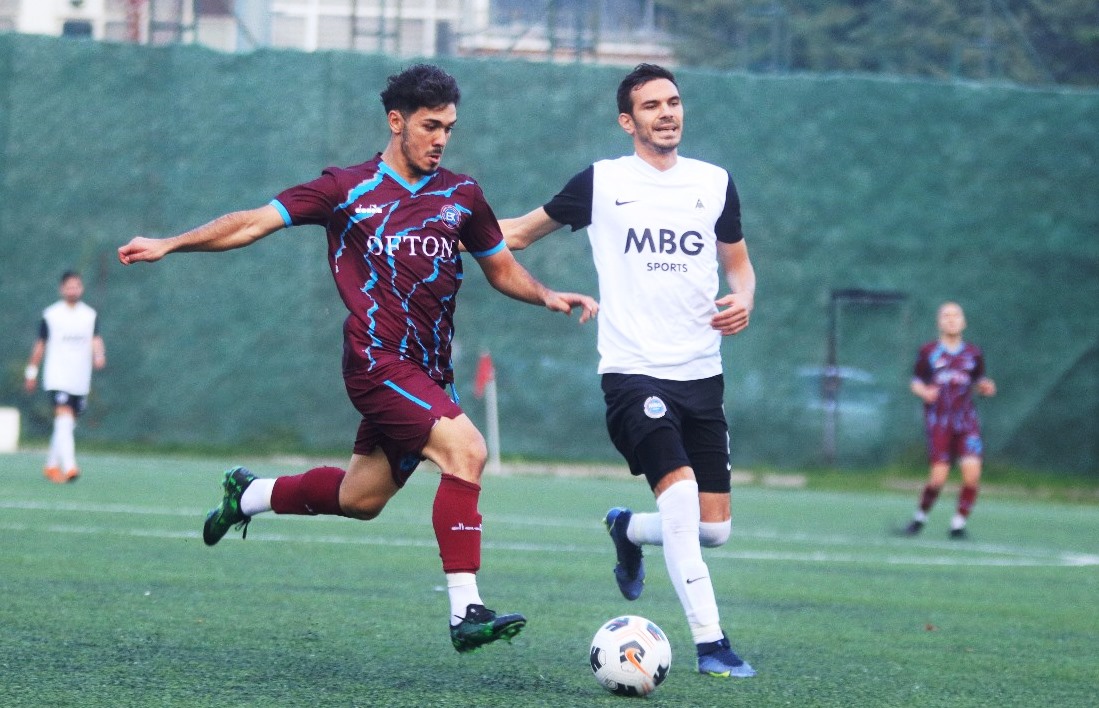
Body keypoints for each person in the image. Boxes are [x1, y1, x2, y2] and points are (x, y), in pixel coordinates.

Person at [117, 64, 598, 653]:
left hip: (428, 371)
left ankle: (248, 495)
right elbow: (252, 224)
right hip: (377, 363)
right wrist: (170, 243)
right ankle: (466, 611)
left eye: (448, 127)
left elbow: (500, 266)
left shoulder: (462, 194)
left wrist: (545, 293)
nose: (441, 139)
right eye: (429, 126)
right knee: (467, 450)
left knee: (359, 500)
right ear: (396, 122)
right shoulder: (345, 188)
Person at [499, 63, 757, 678]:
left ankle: (628, 529)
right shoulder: (603, 182)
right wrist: (439, 226)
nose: (666, 113)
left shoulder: (715, 183)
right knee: (681, 500)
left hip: (702, 375)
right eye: (651, 106)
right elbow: (518, 235)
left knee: (713, 530)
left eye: (673, 102)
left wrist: (745, 299)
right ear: (627, 121)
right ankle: (712, 644)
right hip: (634, 373)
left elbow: (739, 266)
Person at [903, 302, 996, 539]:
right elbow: (915, 382)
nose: (951, 319)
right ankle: (919, 519)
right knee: (938, 478)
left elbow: (978, 380)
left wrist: (985, 386)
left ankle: (958, 525)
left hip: (966, 422)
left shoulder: (973, 353)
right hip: (939, 422)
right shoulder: (929, 351)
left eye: (956, 315)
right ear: (939, 322)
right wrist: (925, 392)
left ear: (963, 322)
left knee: (972, 475)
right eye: (946, 316)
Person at [24, 270, 107, 483]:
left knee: (67, 425)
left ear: (82, 288)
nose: (72, 290)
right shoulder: (51, 314)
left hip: (79, 379)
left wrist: (99, 355)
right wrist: (31, 372)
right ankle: (70, 466)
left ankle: (51, 466)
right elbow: (40, 345)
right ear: (62, 289)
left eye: (76, 286)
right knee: (64, 418)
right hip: (57, 376)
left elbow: (96, 339)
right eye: (69, 286)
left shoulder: (89, 315)